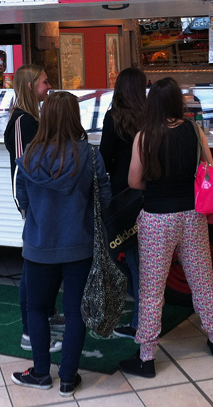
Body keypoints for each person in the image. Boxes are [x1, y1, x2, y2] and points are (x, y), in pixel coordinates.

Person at [119, 77, 213, 379]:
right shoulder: (194, 130)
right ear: (178, 102)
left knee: (152, 289)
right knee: (202, 278)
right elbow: (210, 171)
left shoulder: (144, 136)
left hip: (156, 218)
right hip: (192, 214)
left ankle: (147, 357)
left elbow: (133, 181)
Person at [12, 91, 111, 398]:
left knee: (37, 309)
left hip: (39, 246)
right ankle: (68, 378)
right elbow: (104, 199)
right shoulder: (90, 155)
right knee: (75, 313)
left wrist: (42, 219)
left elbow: (23, 201)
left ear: (45, 117)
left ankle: (41, 373)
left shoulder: (28, 155)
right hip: (79, 245)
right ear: (74, 117)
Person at [2, 65, 62, 354]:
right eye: (44, 82)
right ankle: (30, 330)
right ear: (29, 86)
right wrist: (29, 206)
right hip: (33, 202)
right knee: (33, 265)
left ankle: (47, 314)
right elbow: (22, 167)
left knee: (44, 262)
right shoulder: (21, 122)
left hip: (42, 200)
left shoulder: (33, 117)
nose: (49, 86)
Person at [98, 67, 146, 339]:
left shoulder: (113, 117)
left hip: (120, 196)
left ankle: (141, 320)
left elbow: (104, 157)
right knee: (138, 257)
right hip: (148, 194)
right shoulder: (152, 117)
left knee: (122, 252)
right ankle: (145, 306)